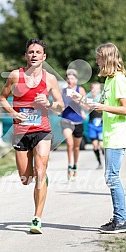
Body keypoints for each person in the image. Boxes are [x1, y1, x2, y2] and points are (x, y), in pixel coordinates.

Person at [0, 38, 64, 234]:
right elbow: (2, 97)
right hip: (20, 132)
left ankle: (37, 218)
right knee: (25, 178)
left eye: (38, 52)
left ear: (44, 56)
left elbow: (60, 106)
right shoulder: (15, 76)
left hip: (42, 130)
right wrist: (13, 113)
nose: (34, 55)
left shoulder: (50, 79)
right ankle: (38, 178)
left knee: (41, 170)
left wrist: (49, 103)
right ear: (26, 55)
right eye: (31, 52)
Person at [88, 42, 126, 233]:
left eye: (99, 57)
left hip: (118, 136)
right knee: (111, 177)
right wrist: (89, 103)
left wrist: (102, 107)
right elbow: (103, 104)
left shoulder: (119, 80)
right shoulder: (109, 81)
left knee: (112, 177)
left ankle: (121, 220)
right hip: (110, 136)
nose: (96, 61)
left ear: (107, 58)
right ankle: (119, 217)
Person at [61, 69, 86, 181]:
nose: (69, 80)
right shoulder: (63, 91)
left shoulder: (80, 90)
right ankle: (69, 165)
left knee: (76, 147)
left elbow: (86, 105)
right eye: (68, 78)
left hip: (78, 121)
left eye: (71, 78)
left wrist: (77, 99)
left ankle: (75, 165)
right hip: (66, 120)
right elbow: (60, 104)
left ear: (76, 80)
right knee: (70, 144)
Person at [87, 82, 104, 169]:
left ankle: (106, 159)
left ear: (100, 90)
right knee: (95, 145)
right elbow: (85, 108)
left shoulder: (102, 97)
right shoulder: (88, 97)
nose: (95, 90)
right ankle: (99, 162)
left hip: (101, 123)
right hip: (92, 123)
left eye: (97, 88)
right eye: (93, 88)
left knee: (102, 145)